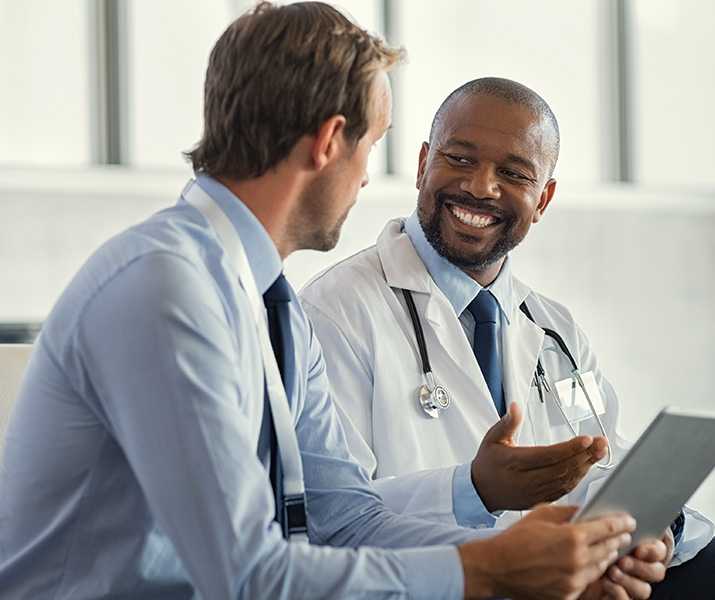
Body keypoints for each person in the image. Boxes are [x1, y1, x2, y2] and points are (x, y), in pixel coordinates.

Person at [0, 4, 645, 600]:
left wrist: (539, 559)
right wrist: (494, 569)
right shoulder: (165, 290)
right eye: (372, 144)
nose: (369, 176)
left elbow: (343, 521)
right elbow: (249, 575)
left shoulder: (272, 306)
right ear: (329, 141)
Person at [299, 77, 715, 598]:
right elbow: (333, 519)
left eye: (513, 173)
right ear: (424, 162)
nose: (481, 187)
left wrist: (653, 533)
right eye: (461, 159)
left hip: (566, 579)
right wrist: (474, 490)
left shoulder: (553, 329)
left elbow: (603, 466)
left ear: (543, 199)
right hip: (451, 583)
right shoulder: (337, 312)